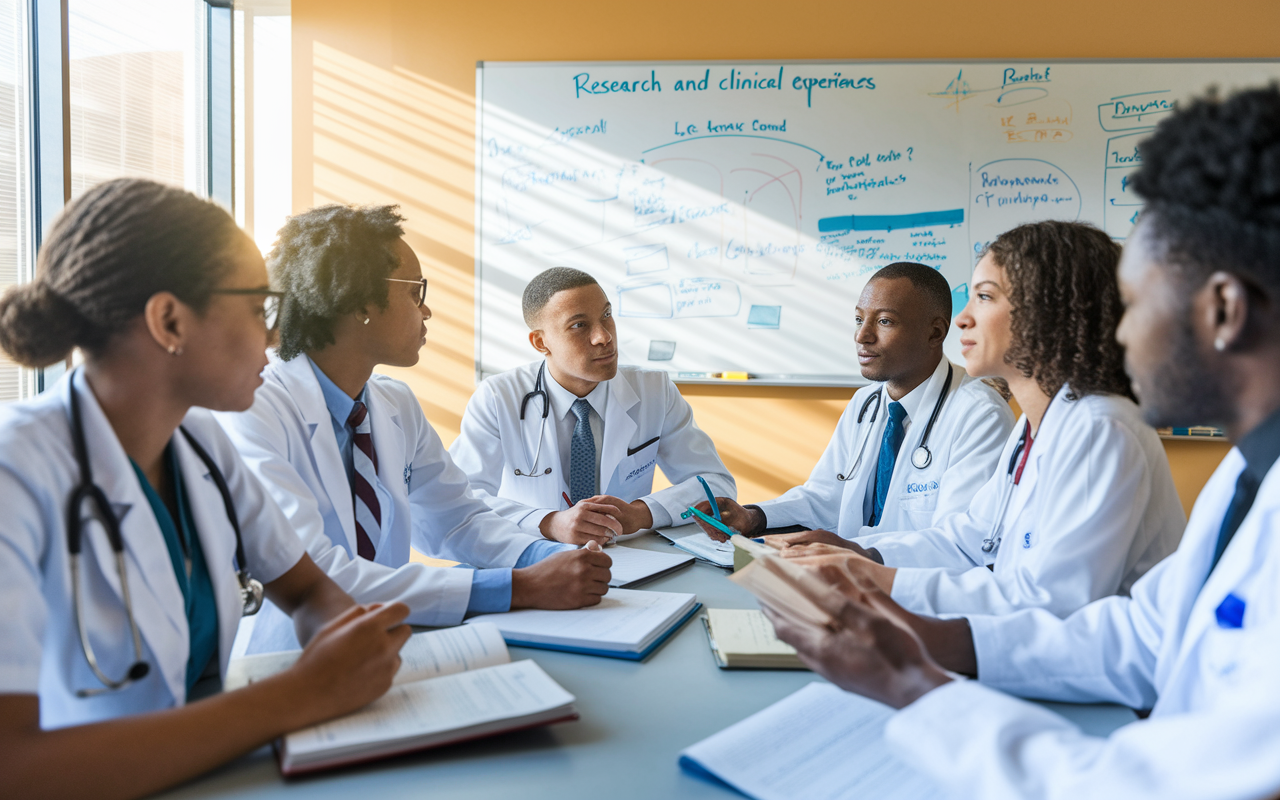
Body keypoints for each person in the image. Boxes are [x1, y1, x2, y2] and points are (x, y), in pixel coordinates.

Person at [765, 85, 1280, 800]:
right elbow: (1142, 633)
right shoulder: (1246, 476)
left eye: (1138, 302)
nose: (1122, 331)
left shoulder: (1106, 428)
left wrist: (916, 686)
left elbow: (1160, 783)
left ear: (1224, 310)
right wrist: (928, 630)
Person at [0, 179, 409, 799]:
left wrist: (345, 648)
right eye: (257, 308)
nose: (273, 336)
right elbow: (13, 767)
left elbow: (307, 591)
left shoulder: (199, 442)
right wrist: (302, 694)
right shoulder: (16, 473)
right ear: (169, 320)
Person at [216, 205, 610, 653]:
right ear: (361, 301)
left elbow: (457, 520)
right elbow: (316, 573)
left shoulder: (393, 403)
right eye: (414, 291)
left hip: (384, 647)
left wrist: (555, 559)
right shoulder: (252, 408)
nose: (426, 310)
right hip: (286, 658)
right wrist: (517, 587)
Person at [772, 221, 1186, 618]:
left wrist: (879, 579)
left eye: (985, 297)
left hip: (1094, 679)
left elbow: (1053, 604)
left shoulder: (1100, 430)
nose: (963, 319)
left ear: (1049, 312)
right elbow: (968, 540)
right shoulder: (1035, 427)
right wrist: (862, 556)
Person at [691, 261, 1014, 541]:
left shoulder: (979, 414)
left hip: (916, 588)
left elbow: (955, 538)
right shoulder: (866, 403)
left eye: (884, 321)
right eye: (859, 319)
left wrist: (849, 550)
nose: (862, 336)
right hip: (851, 577)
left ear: (935, 333)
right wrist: (754, 517)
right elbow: (825, 496)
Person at [449, 266, 735, 545]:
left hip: (629, 557)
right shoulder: (498, 398)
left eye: (607, 316)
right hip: (533, 556)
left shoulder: (654, 390)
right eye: (579, 325)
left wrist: (641, 513)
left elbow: (716, 484)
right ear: (541, 342)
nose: (604, 337)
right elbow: (460, 497)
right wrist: (548, 522)